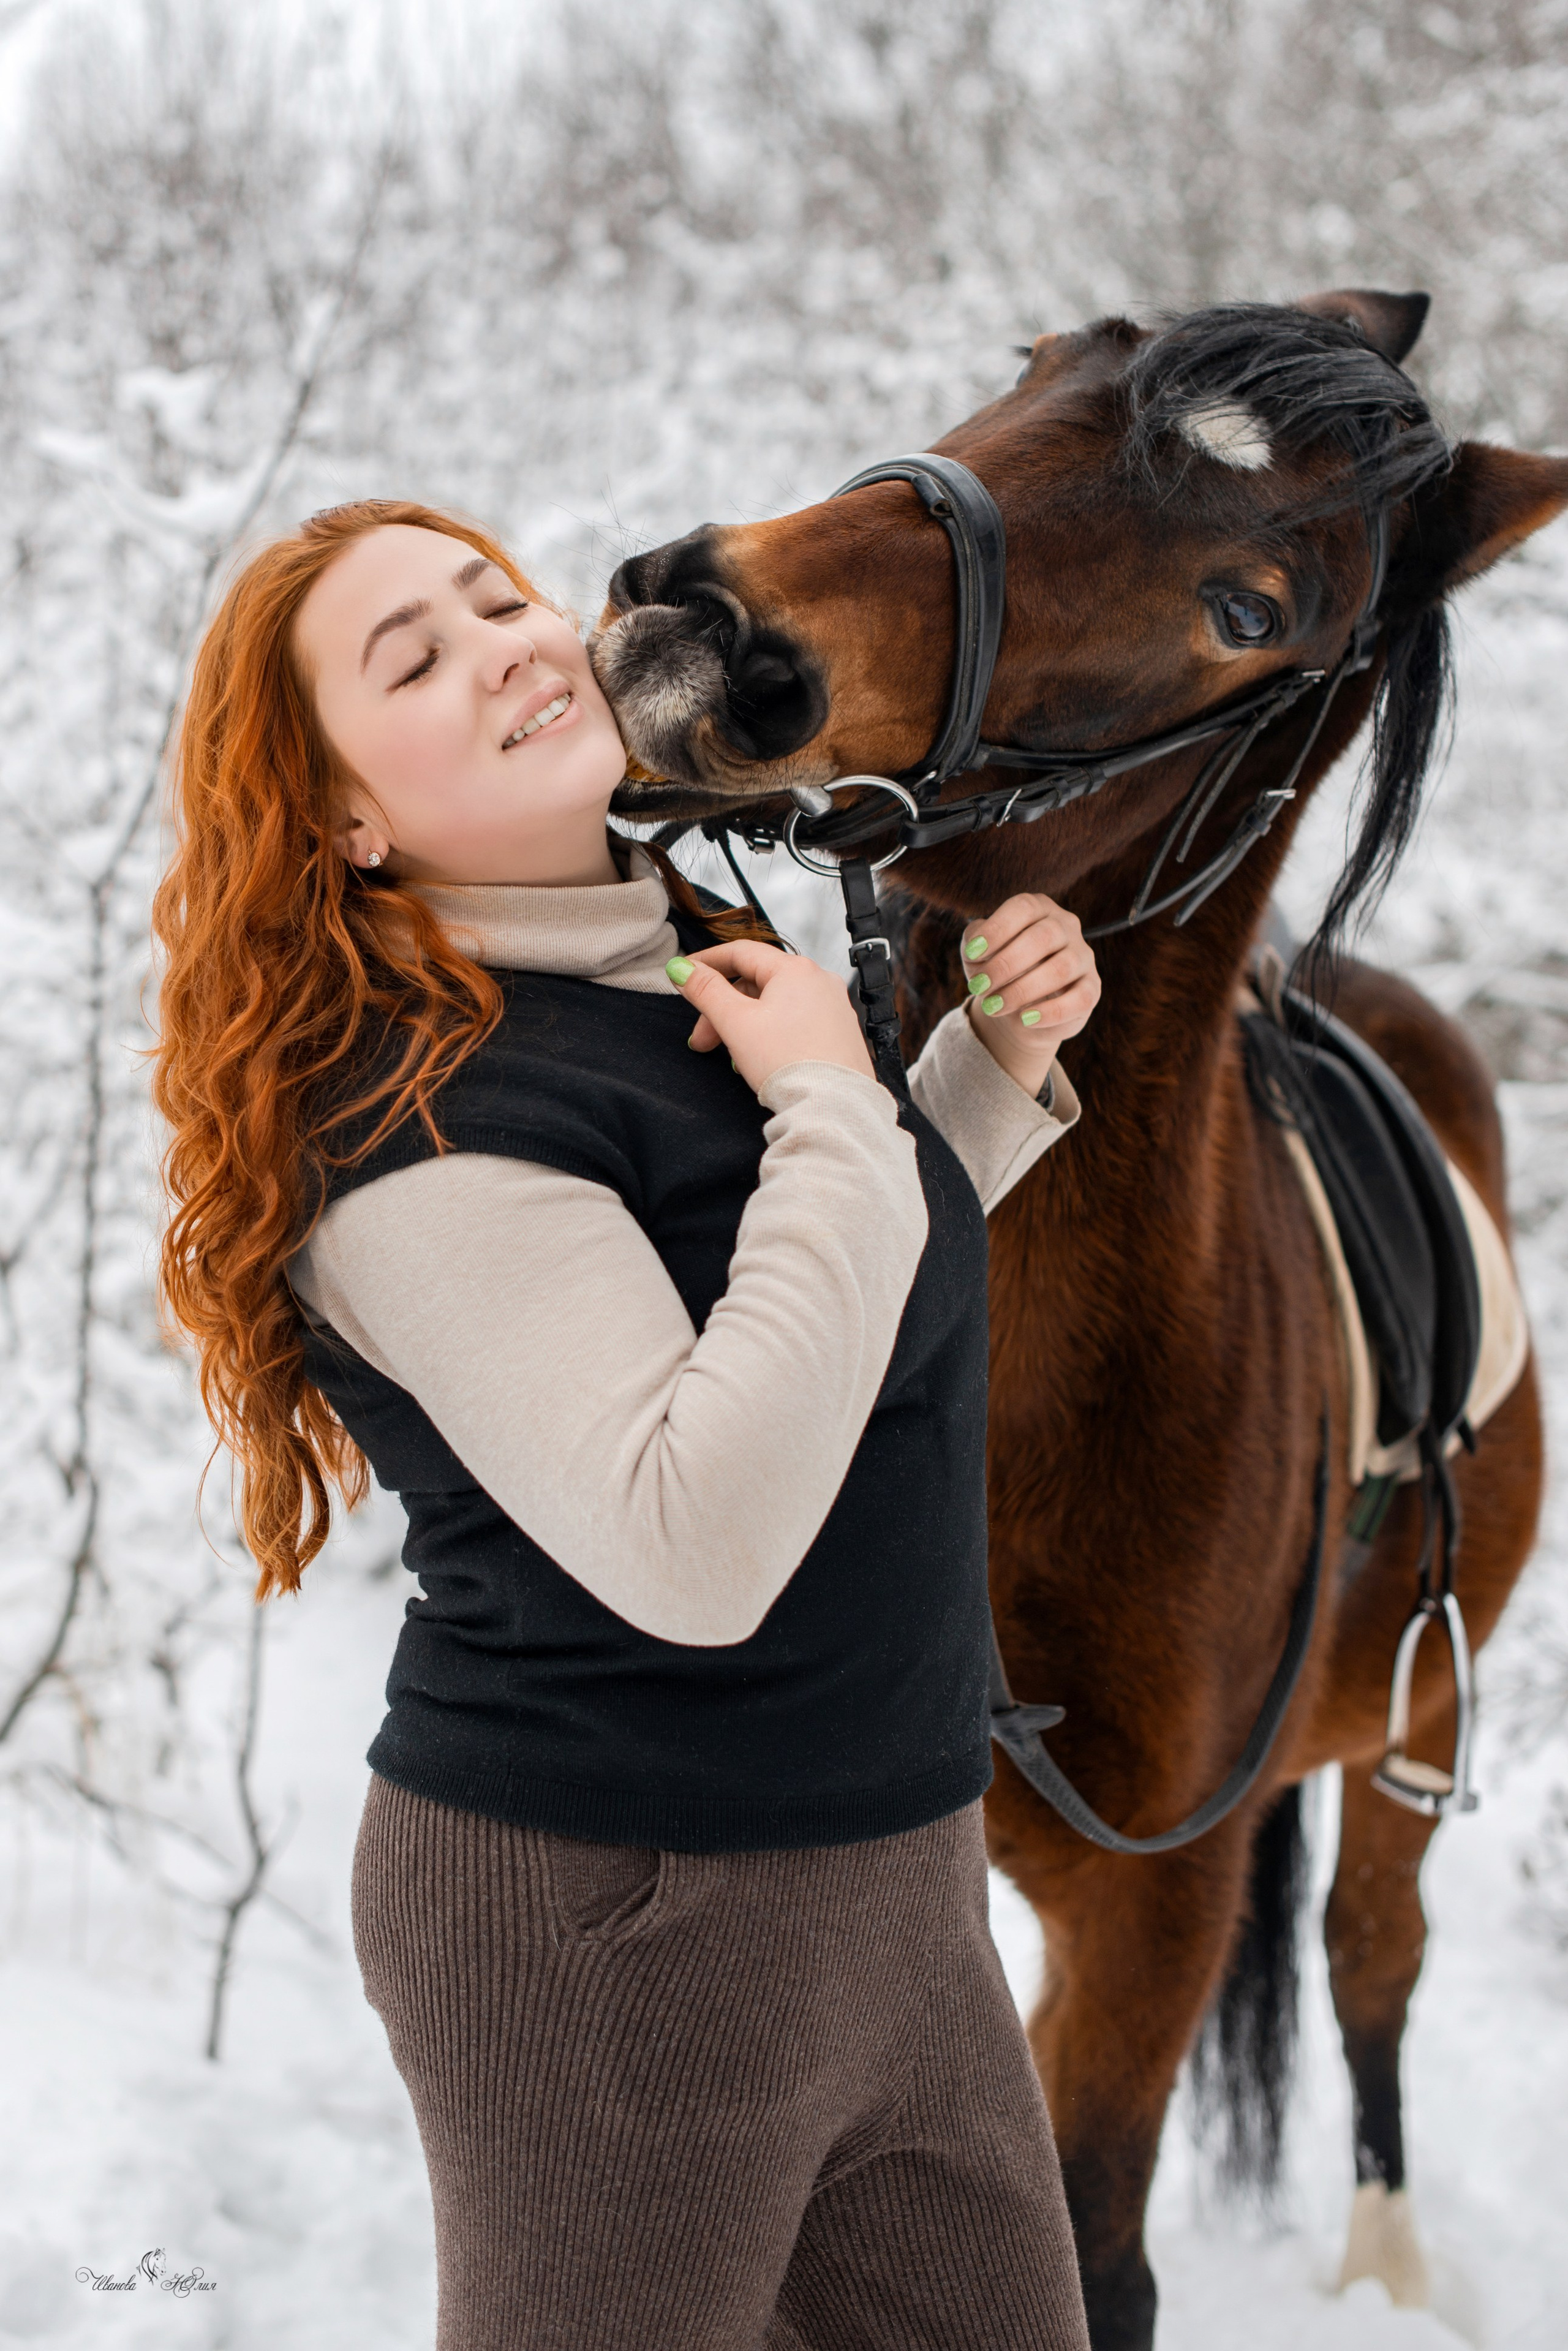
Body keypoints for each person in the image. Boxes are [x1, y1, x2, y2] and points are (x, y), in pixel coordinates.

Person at [153, 497, 1099, 2351]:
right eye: (413, 658)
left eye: (499, 598)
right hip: (618, 1921)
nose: (506, 641)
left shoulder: (671, 953)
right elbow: (696, 1543)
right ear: (342, 820)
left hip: (895, 1865)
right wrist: (833, 1107)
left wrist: (961, 1086)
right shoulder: (418, 1121)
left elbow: (796, 1341)